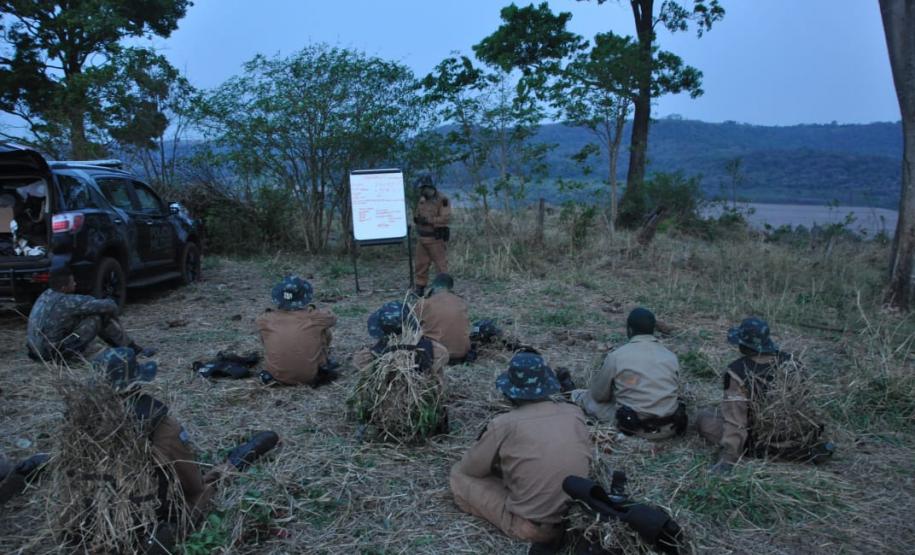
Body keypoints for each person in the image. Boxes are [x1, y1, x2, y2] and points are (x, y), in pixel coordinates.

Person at [90, 347, 278, 549]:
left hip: (99, 518)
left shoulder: (82, 423)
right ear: (137, 381)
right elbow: (193, 485)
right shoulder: (162, 427)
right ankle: (235, 463)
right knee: (204, 490)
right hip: (149, 520)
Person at [450, 351, 591, 554]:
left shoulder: (505, 423)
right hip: (572, 520)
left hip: (531, 527)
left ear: (510, 391)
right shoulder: (574, 412)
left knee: (458, 476)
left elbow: (470, 469)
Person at [696, 318, 834, 473]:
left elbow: (736, 422)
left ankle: (761, 451)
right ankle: (801, 451)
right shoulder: (792, 363)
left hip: (761, 440)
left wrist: (728, 459)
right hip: (799, 438)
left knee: (704, 418)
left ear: (744, 345)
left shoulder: (737, 372)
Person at [572, 308, 686, 440]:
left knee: (586, 398)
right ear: (652, 330)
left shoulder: (616, 356)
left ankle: (572, 395)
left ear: (629, 330)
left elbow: (599, 396)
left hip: (634, 427)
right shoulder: (670, 356)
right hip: (669, 428)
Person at [27, 266, 153, 361]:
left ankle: (127, 347)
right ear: (64, 288)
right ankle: (131, 349)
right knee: (98, 316)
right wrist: (108, 299)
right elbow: (110, 306)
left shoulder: (44, 296)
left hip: (35, 352)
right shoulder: (68, 302)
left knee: (81, 316)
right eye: (72, 282)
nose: (75, 283)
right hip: (52, 354)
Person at [256, 276, 338, 387]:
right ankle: (320, 362)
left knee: (266, 333)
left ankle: (282, 359)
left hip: (277, 376)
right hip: (310, 376)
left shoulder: (265, 319)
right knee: (324, 330)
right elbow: (332, 318)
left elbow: (258, 322)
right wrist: (312, 308)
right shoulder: (314, 317)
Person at [352, 301, 450, 392]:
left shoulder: (366, 357)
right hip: (423, 395)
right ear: (410, 324)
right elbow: (444, 357)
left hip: (386, 399)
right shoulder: (436, 350)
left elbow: (361, 368)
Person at [415, 273, 471, 363]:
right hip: (460, 354)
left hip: (435, 354)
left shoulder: (425, 303)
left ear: (432, 286)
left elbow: (412, 324)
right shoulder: (461, 302)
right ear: (450, 288)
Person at [412, 174, 451, 297]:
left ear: (430, 187)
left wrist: (429, 220)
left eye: (424, 189)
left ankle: (443, 290)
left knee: (440, 265)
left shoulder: (443, 200)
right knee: (420, 264)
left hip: (435, 238)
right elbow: (418, 213)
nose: (422, 191)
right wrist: (417, 219)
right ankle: (420, 288)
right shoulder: (422, 200)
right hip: (422, 238)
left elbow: (445, 218)